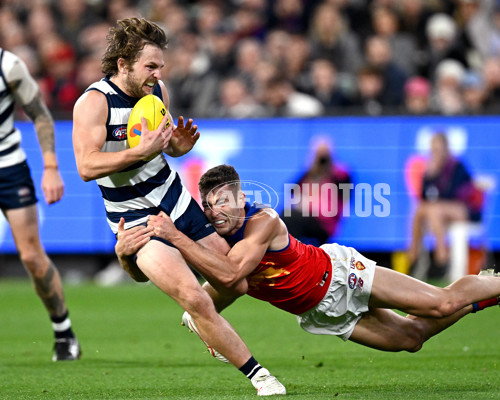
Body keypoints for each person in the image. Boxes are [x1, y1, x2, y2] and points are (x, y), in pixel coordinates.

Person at [117, 164, 500, 361]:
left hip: (340, 273)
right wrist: (200, 313)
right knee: (411, 340)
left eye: (226, 199)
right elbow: (230, 287)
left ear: (242, 196)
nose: (219, 209)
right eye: (211, 203)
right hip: (320, 311)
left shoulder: (261, 220)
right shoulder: (209, 240)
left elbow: (235, 273)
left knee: (437, 306)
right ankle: (480, 293)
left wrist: (177, 238)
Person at [71, 17, 285, 396]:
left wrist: (176, 148)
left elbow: (163, 144)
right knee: (195, 294)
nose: (157, 74)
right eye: (150, 67)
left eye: (160, 67)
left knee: (235, 278)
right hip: (135, 217)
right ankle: (259, 375)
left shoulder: (157, 93)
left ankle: (197, 320)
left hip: (176, 200)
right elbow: (86, 166)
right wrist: (140, 151)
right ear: (123, 65)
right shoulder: (94, 103)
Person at [0, 47, 80, 361]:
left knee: (32, 256)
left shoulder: (9, 65)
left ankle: (63, 330)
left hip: (8, 168)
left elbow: (40, 114)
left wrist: (50, 167)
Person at [407, 132, 484, 268]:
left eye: (439, 149)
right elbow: (424, 196)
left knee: (433, 208)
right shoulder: (430, 169)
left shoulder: (457, 166)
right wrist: (430, 176)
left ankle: (439, 255)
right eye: (434, 150)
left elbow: (457, 195)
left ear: (446, 149)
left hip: (465, 210)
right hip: (440, 211)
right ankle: (416, 251)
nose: (436, 153)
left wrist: (436, 177)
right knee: (420, 208)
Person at [280, 137, 352, 247]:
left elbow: (346, 189)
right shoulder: (310, 173)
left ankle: (291, 250)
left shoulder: (339, 173)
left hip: (324, 222)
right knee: (286, 216)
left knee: (291, 217)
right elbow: (293, 189)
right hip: (307, 215)